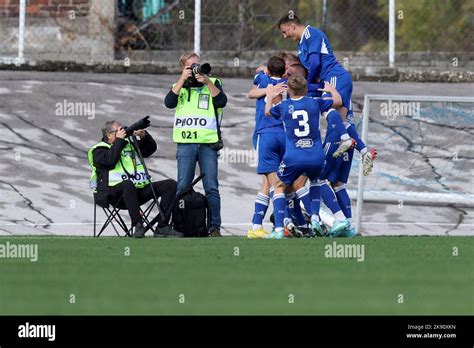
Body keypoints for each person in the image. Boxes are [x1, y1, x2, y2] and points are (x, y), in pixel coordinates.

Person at [277, 13, 376, 170]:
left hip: (335, 78)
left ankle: (348, 142)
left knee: (327, 108)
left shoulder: (312, 34)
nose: (284, 36)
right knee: (341, 121)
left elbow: (316, 64)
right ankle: (364, 151)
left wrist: (306, 86)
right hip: (329, 81)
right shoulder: (301, 45)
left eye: (284, 31)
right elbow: (312, 68)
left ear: (292, 26)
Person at [264, 75, 346, 239]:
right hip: (316, 156)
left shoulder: (284, 106)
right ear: (306, 89)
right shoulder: (315, 102)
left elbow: (267, 113)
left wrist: (270, 96)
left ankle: (279, 229)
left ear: (288, 90)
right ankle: (317, 218)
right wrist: (332, 90)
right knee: (316, 182)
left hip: (294, 156)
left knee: (278, 186)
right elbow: (338, 102)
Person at [164, 52, 228, 237]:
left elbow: (222, 101)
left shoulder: (213, 82)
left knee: (211, 187)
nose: (194, 69)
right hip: (186, 143)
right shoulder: (179, 86)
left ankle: (214, 227)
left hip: (208, 143)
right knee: (183, 186)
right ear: (183, 68)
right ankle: (180, 225)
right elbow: (169, 102)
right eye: (190, 67)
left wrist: (207, 81)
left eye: (196, 65)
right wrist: (182, 79)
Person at [88, 120, 182, 238]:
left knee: (170, 185)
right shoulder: (99, 149)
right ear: (109, 135)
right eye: (119, 130)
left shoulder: (129, 145)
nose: (123, 132)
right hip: (113, 194)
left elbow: (149, 150)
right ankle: (137, 224)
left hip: (138, 190)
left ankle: (162, 227)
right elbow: (109, 161)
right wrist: (119, 141)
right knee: (127, 184)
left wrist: (145, 137)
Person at [246, 56, 287, 239]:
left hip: (265, 134)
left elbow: (251, 92)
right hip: (285, 135)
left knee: (271, 182)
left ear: (269, 71)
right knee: (275, 182)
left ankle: (260, 226)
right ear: (285, 71)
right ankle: (277, 226)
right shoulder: (288, 83)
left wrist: (266, 87)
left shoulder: (263, 79)